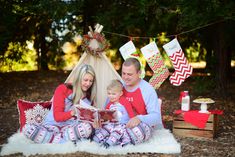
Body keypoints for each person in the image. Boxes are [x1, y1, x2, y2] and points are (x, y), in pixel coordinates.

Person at [23, 64, 98, 144]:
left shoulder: (89, 97)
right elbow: (57, 117)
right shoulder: (63, 89)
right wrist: (73, 112)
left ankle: (53, 140)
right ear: (78, 79)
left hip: (70, 129)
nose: (88, 84)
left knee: (87, 128)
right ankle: (63, 141)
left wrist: (93, 123)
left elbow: (86, 120)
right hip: (52, 126)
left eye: (91, 81)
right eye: (85, 80)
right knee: (28, 129)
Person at [119, 57, 163, 145]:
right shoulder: (119, 86)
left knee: (136, 132)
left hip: (141, 126)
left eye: (129, 74)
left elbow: (156, 117)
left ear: (139, 73)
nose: (125, 77)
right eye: (123, 73)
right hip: (121, 124)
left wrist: (139, 118)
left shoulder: (147, 89)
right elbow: (108, 108)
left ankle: (119, 140)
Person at [92, 79, 135, 147]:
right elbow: (105, 115)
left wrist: (132, 122)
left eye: (113, 94)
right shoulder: (109, 104)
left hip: (122, 125)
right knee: (105, 130)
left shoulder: (125, 102)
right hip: (111, 124)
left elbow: (131, 113)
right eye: (109, 93)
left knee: (117, 132)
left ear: (120, 93)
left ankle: (109, 143)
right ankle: (96, 139)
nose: (111, 96)